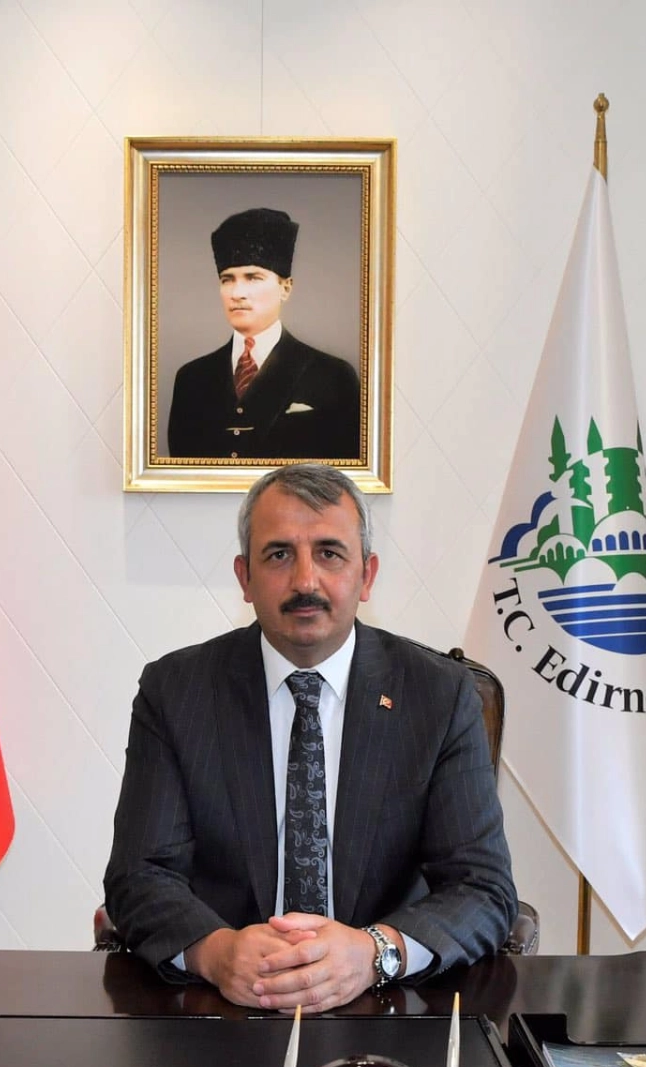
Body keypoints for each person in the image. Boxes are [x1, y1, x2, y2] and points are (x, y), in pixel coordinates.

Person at [104, 463, 516, 1013]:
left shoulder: (438, 696)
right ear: (244, 577)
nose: (305, 581)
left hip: (387, 1007)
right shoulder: (177, 692)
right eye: (279, 555)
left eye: (329, 553)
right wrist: (217, 952)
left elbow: (482, 888)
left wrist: (374, 952)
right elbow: (139, 875)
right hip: (221, 1007)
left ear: (366, 576)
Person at [166, 208, 361, 460]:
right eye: (227, 279)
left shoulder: (334, 376)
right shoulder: (191, 379)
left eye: (253, 278)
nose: (237, 293)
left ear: (285, 288)